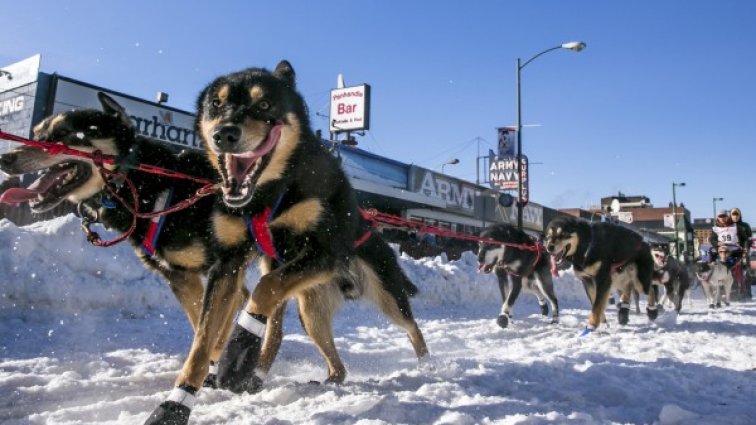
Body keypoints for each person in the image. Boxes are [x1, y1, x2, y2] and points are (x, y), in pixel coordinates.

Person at [731, 208, 753, 299]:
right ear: (731, 216)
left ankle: (747, 292)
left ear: (739, 215)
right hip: (730, 251)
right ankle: (731, 290)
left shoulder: (745, 225)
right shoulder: (728, 226)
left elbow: (748, 238)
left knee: (745, 271)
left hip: (742, 251)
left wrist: (745, 249)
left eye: (737, 214)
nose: (735, 216)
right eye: (733, 214)